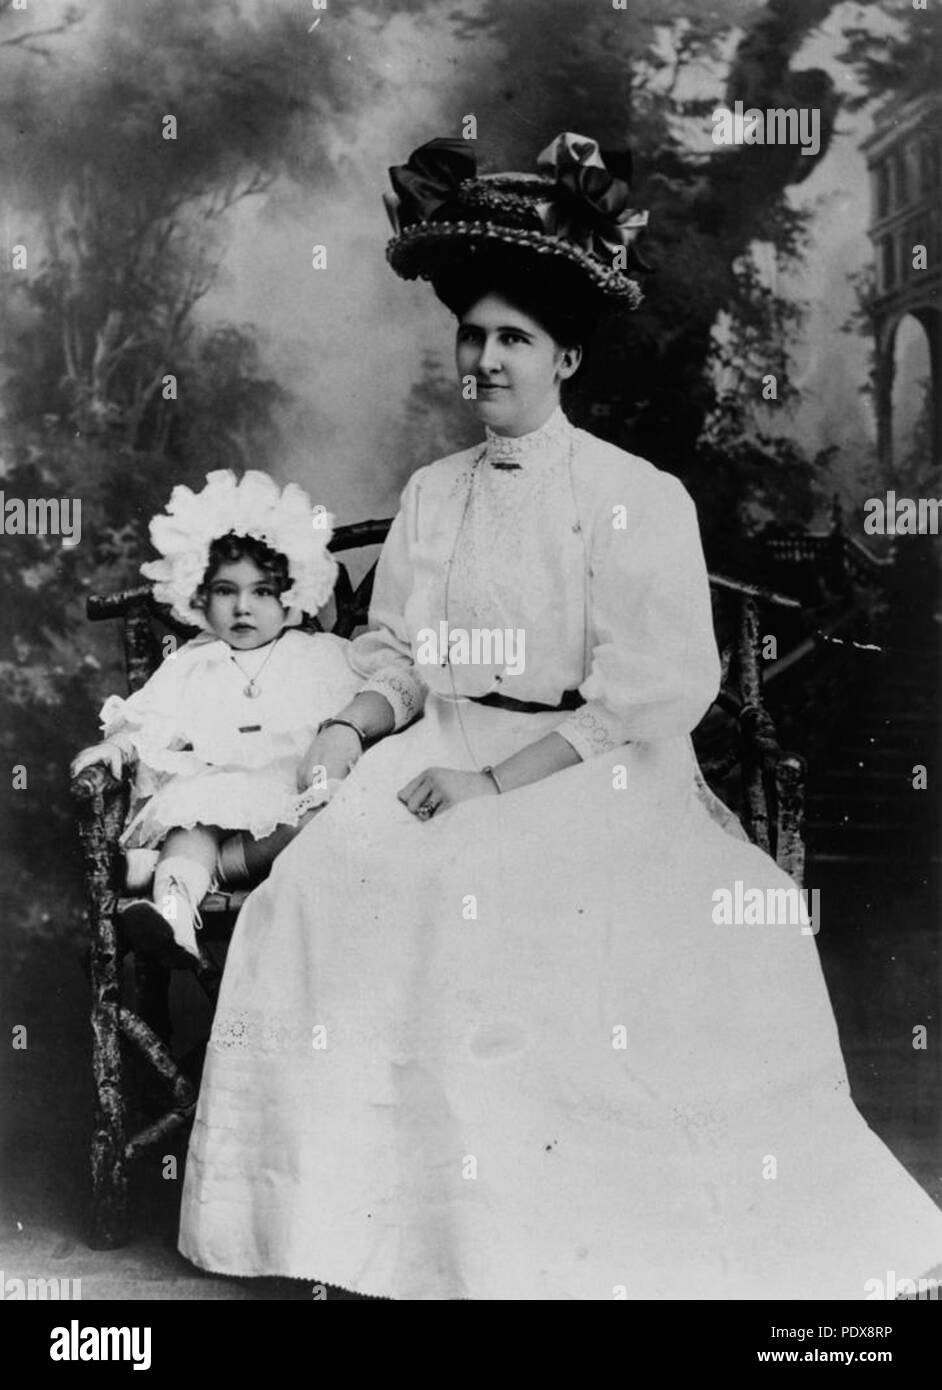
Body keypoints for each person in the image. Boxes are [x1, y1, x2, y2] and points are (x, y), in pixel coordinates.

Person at [178, 135, 942, 1299]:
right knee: (322, 888)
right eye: (473, 337)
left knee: (543, 913)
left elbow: (655, 691)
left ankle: (544, 1246)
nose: (485, 360)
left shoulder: (635, 497)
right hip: (440, 739)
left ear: (566, 355)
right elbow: (394, 652)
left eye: (514, 341)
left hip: (589, 760)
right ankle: (351, 1228)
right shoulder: (435, 496)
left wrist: (499, 782)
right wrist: (355, 722)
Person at [70, 470, 361, 964]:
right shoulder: (195, 660)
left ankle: (163, 868)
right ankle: (173, 917)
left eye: (262, 592)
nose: (243, 607)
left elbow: (366, 706)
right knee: (190, 829)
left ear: (290, 594)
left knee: (317, 817)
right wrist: (117, 747)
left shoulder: (321, 655)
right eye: (226, 590)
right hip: (212, 785)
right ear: (201, 594)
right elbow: (149, 716)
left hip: (286, 791)